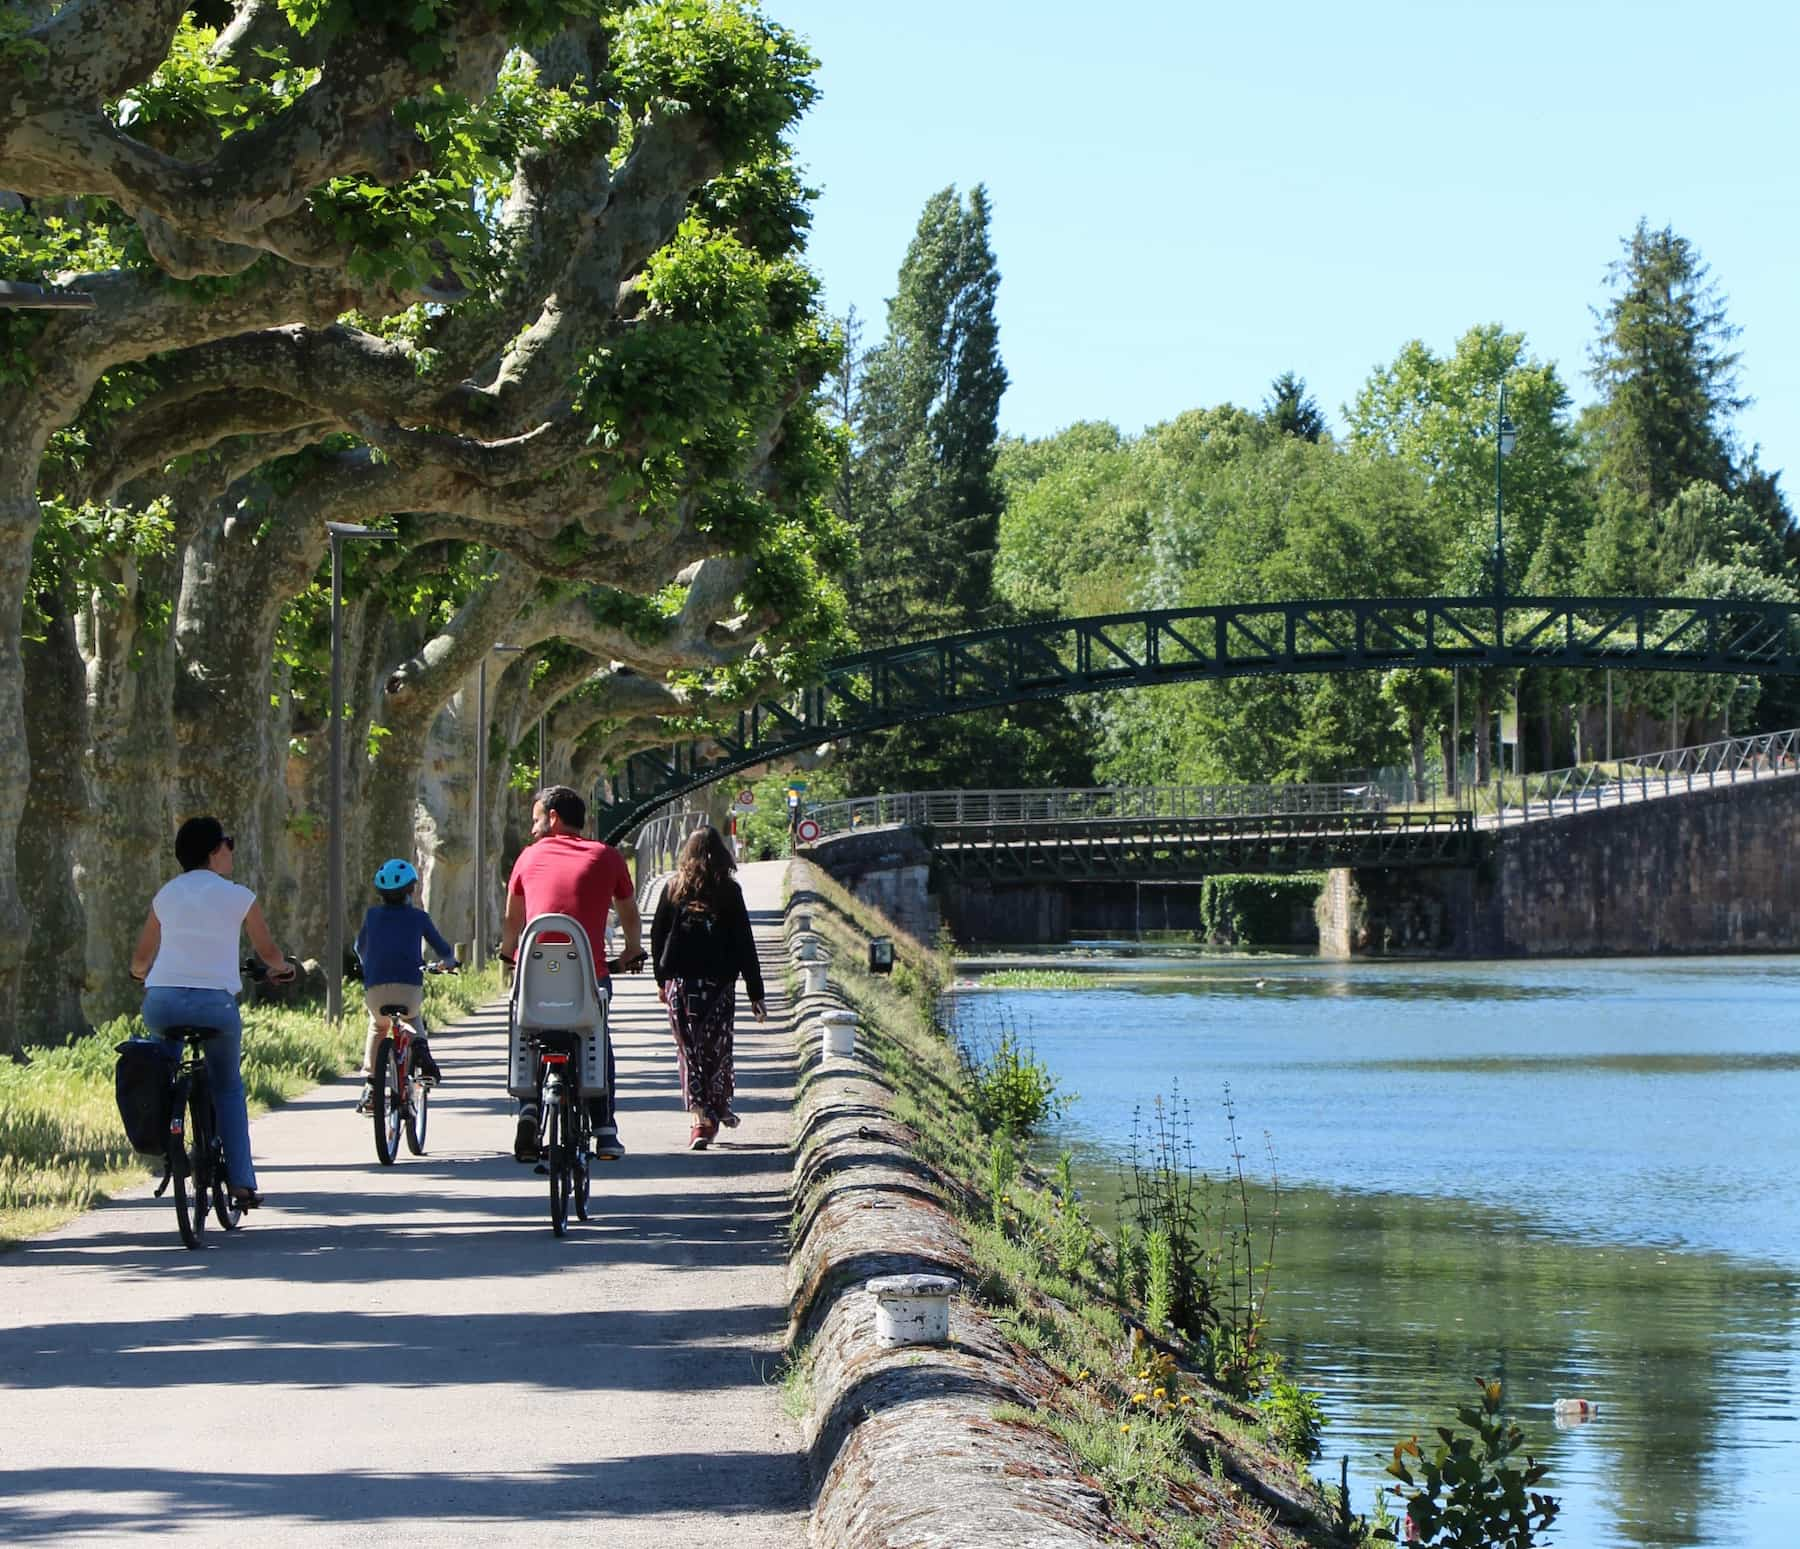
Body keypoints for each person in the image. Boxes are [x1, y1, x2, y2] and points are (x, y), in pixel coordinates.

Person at [129, 815, 296, 1209]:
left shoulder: (166, 895)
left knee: (163, 1070)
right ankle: (240, 1182)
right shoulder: (238, 896)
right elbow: (268, 953)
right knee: (227, 1088)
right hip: (215, 1006)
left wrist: (140, 976)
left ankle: (169, 1137)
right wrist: (282, 968)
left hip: (163, 1001)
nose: (231, 851)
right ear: (213, 852)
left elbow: (140, 961)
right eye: (229, 844)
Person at [499, 785, 644, 1162]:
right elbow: (628, 911)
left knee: (524, 1029)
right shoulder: (608, 857)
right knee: (596, 1032)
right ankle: (605, 1128)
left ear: (553, 818)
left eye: (535, 821)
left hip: (535, 980)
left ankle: (529, 1107)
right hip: (588, 978)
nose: (532, 830)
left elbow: (513, 920)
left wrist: (508, 953)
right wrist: (631, 950)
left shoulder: (527, 859)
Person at [651, 825, 766, 1150]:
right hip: (719, 986)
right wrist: (755, 993)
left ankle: (699, 1119)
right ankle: (715, 1108)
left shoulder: (673, 888)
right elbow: (745, 943)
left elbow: (657, 936)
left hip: (681, 984)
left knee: (687, 1050)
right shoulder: (728, 890)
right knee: (716, 1049)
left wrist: (662, 982)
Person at [353, 858, 457, 1113]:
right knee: (412, 1018)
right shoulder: (419, 917)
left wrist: (367, 965)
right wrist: (449, 963)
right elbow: (443, 950)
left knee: (378, 1027)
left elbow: (359, 948)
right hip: (409, 987)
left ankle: (370, 1085)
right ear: (411, 891)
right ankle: (422, 1053)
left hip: (375, 988)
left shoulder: (372, 915)